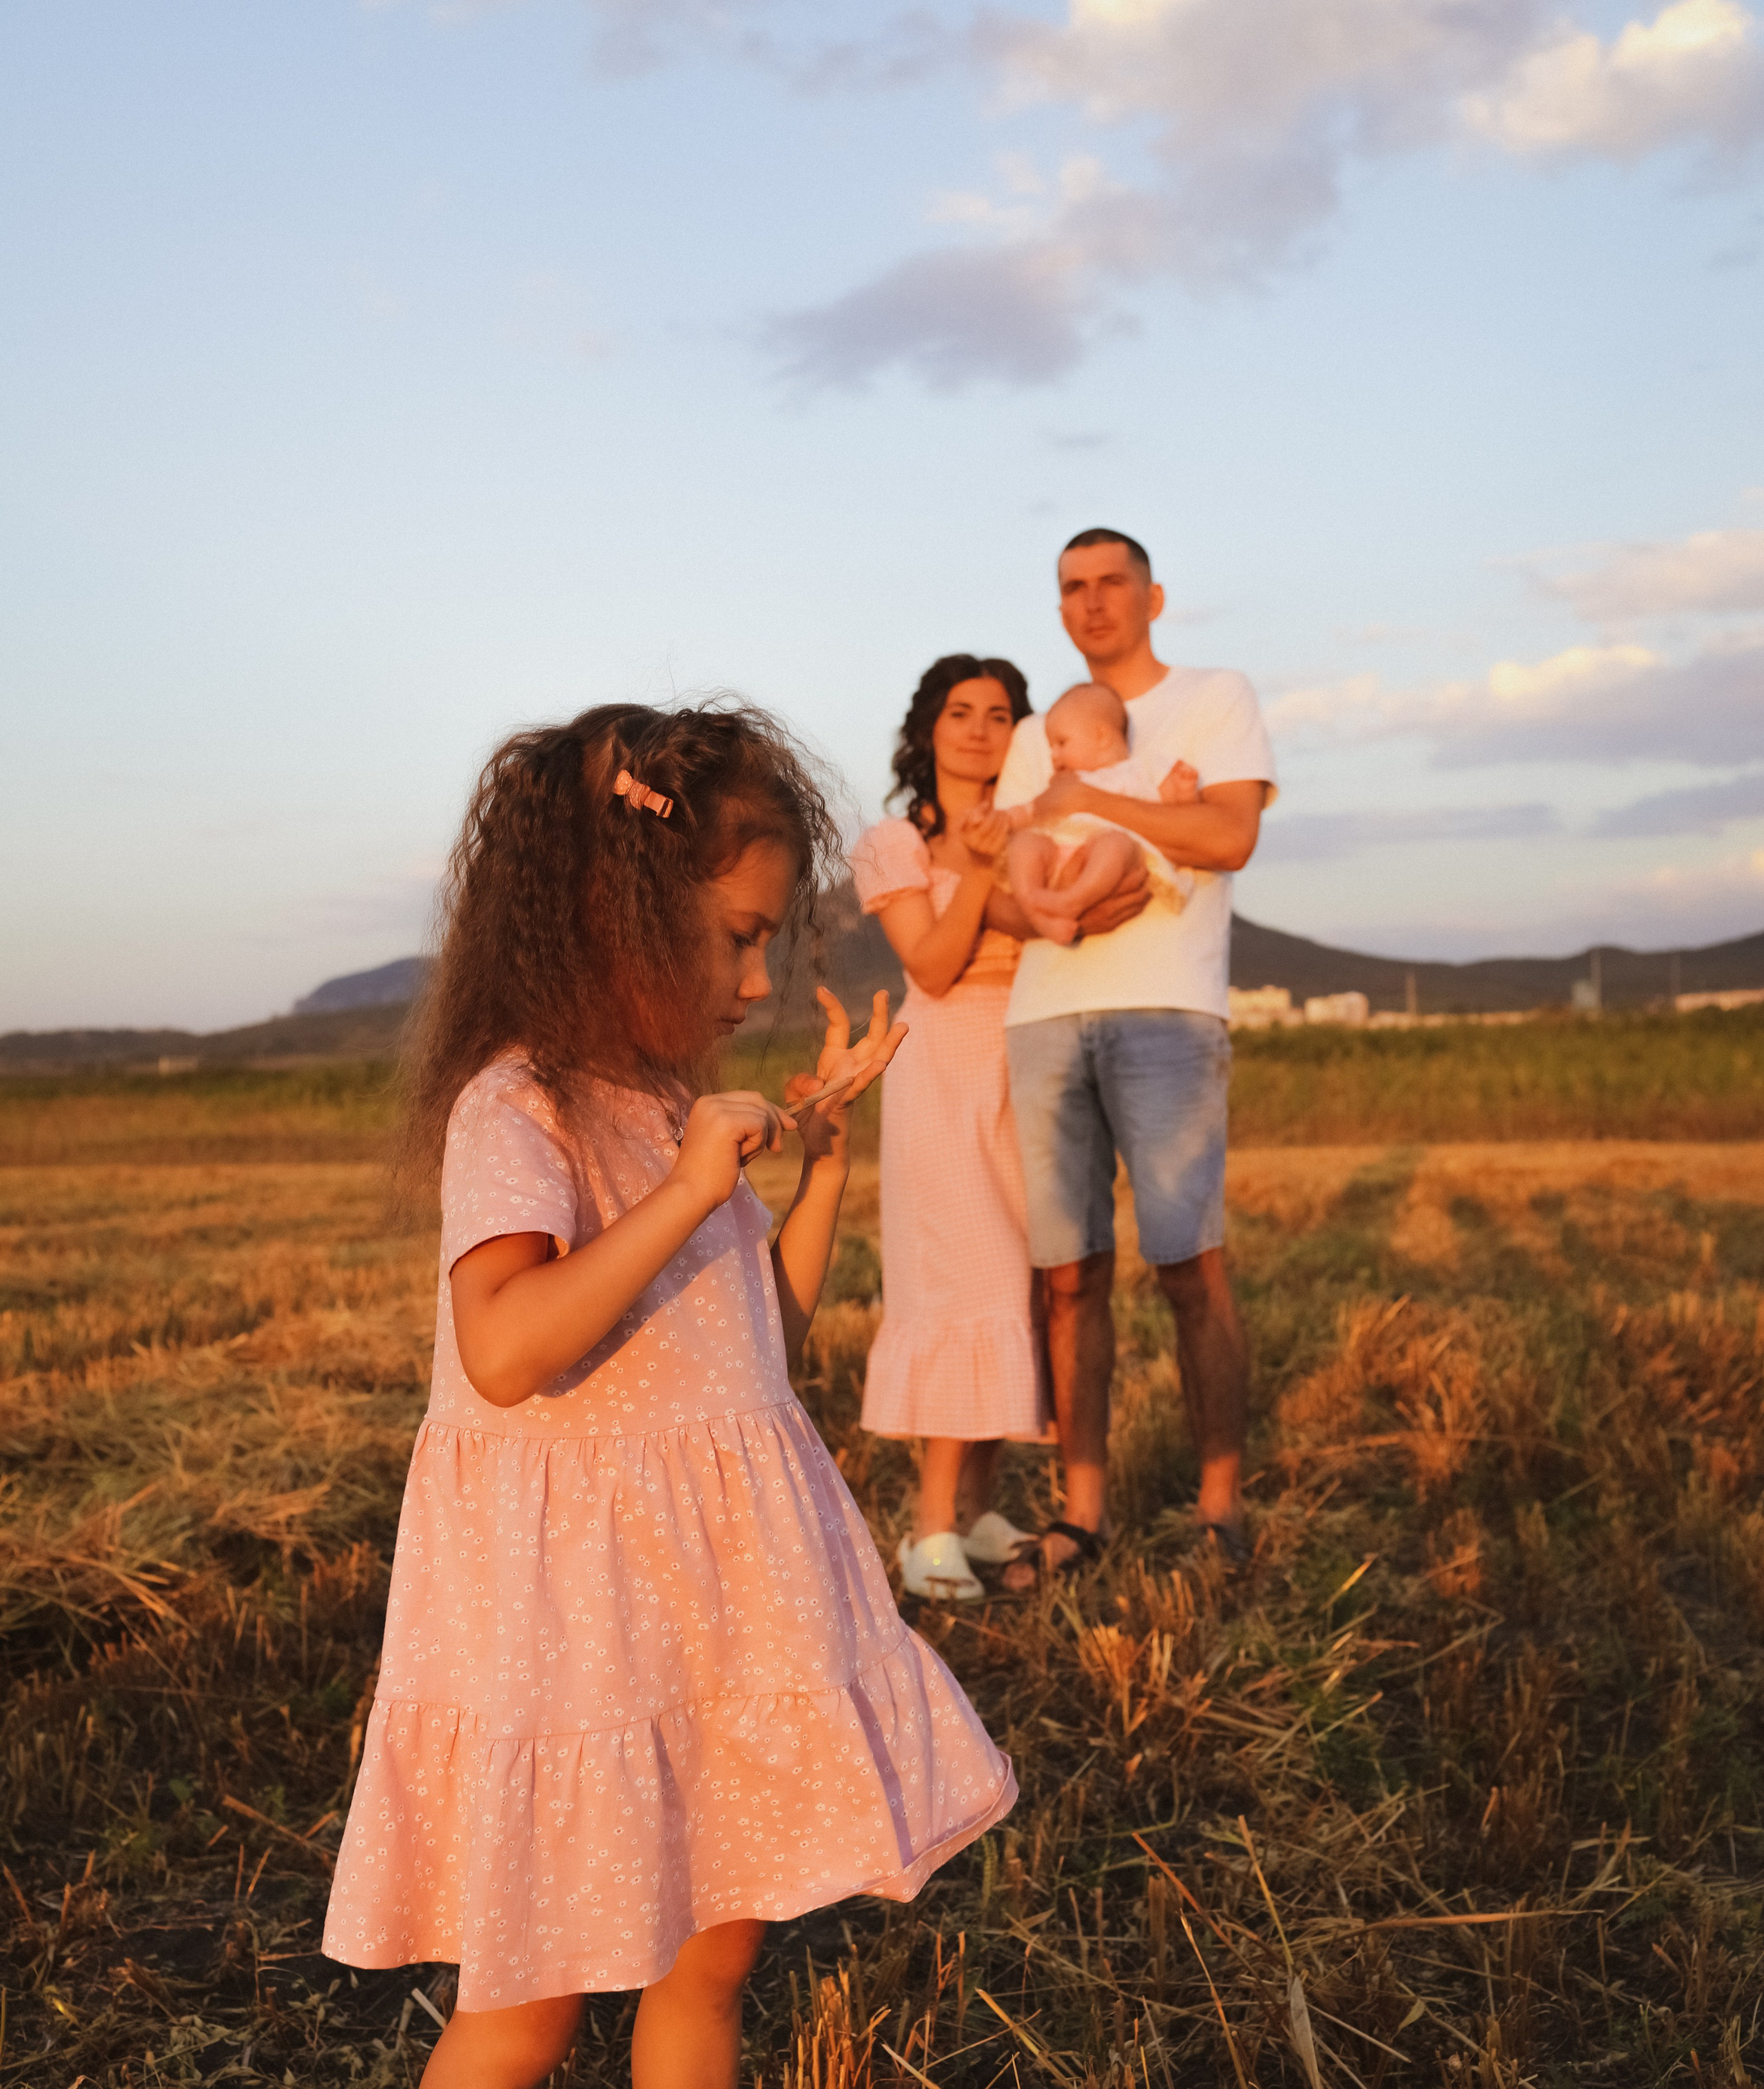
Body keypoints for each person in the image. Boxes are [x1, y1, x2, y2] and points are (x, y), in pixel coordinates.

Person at [322, 702, 1016, 2089]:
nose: (758, 980)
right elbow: (507, 1345)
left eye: (770, 939)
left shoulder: (659, 1104)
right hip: (577, 1642)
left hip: (713, 1621)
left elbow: (764, 1342)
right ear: (610, 917)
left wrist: (814, 1168)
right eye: (739, 935)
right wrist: (695, 1187)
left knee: (713, 1959)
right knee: (531, 1997)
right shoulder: (518, 1108)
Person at [987, 529, 1277, 1589]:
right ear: (1059, 607)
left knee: (1188, 1265)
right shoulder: (1034, 731)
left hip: (1168, 1008)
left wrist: (1095, 805)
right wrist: (1112, 869)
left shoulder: (1214, 695)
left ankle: (1217, 1500)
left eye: (1113, 582)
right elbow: (1009, 885)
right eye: (1073, 586)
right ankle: (1083, 1512)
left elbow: (1231, 835)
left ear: (1154, 595)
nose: (1094, 601)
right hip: (1047, 1013)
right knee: (1068, 1275)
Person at [848, 655, 1049, 1603]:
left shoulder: (1040, 828)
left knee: (1021, 1279)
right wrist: (973, 865)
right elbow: (929, 963)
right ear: (928, 729)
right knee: (965, 1276)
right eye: (959, 712)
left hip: (1029, 1058)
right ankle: (928, 1526)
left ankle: (977, 1509)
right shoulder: (895, 840)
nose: (978, 729)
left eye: (999, 713)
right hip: (942, 1067)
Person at [994, 680, 1199, 944]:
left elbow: (1176, 818)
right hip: (1058, 852)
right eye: (1051, 747)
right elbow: (1032, 810)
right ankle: (1036, 912)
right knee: (1025, 844)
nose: (1054, 755)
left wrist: (1183, 791)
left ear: (1101, 736)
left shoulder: (1141, 771)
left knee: (1117, 844)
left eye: (1061, 742)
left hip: (1106, 855)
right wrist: (1003, 819)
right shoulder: (1062, 783)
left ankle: (1072, 901)